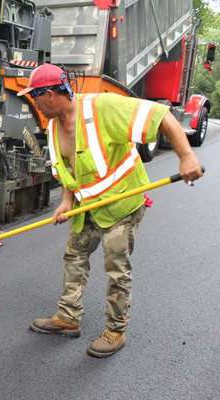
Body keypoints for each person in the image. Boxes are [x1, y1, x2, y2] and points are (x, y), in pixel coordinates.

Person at [17, 63, 203, 357]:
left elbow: (161, 115)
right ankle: (68, 317)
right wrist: (67, 201)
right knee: (74, 258)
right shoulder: (53, 126)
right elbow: (69, 167)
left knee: (116, 269)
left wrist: (187, 157)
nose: (34, 103)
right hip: (86, 207)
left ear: (50, 94)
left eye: (35, 97)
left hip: (121, 204)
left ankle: (115, 331)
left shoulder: (101, 108)